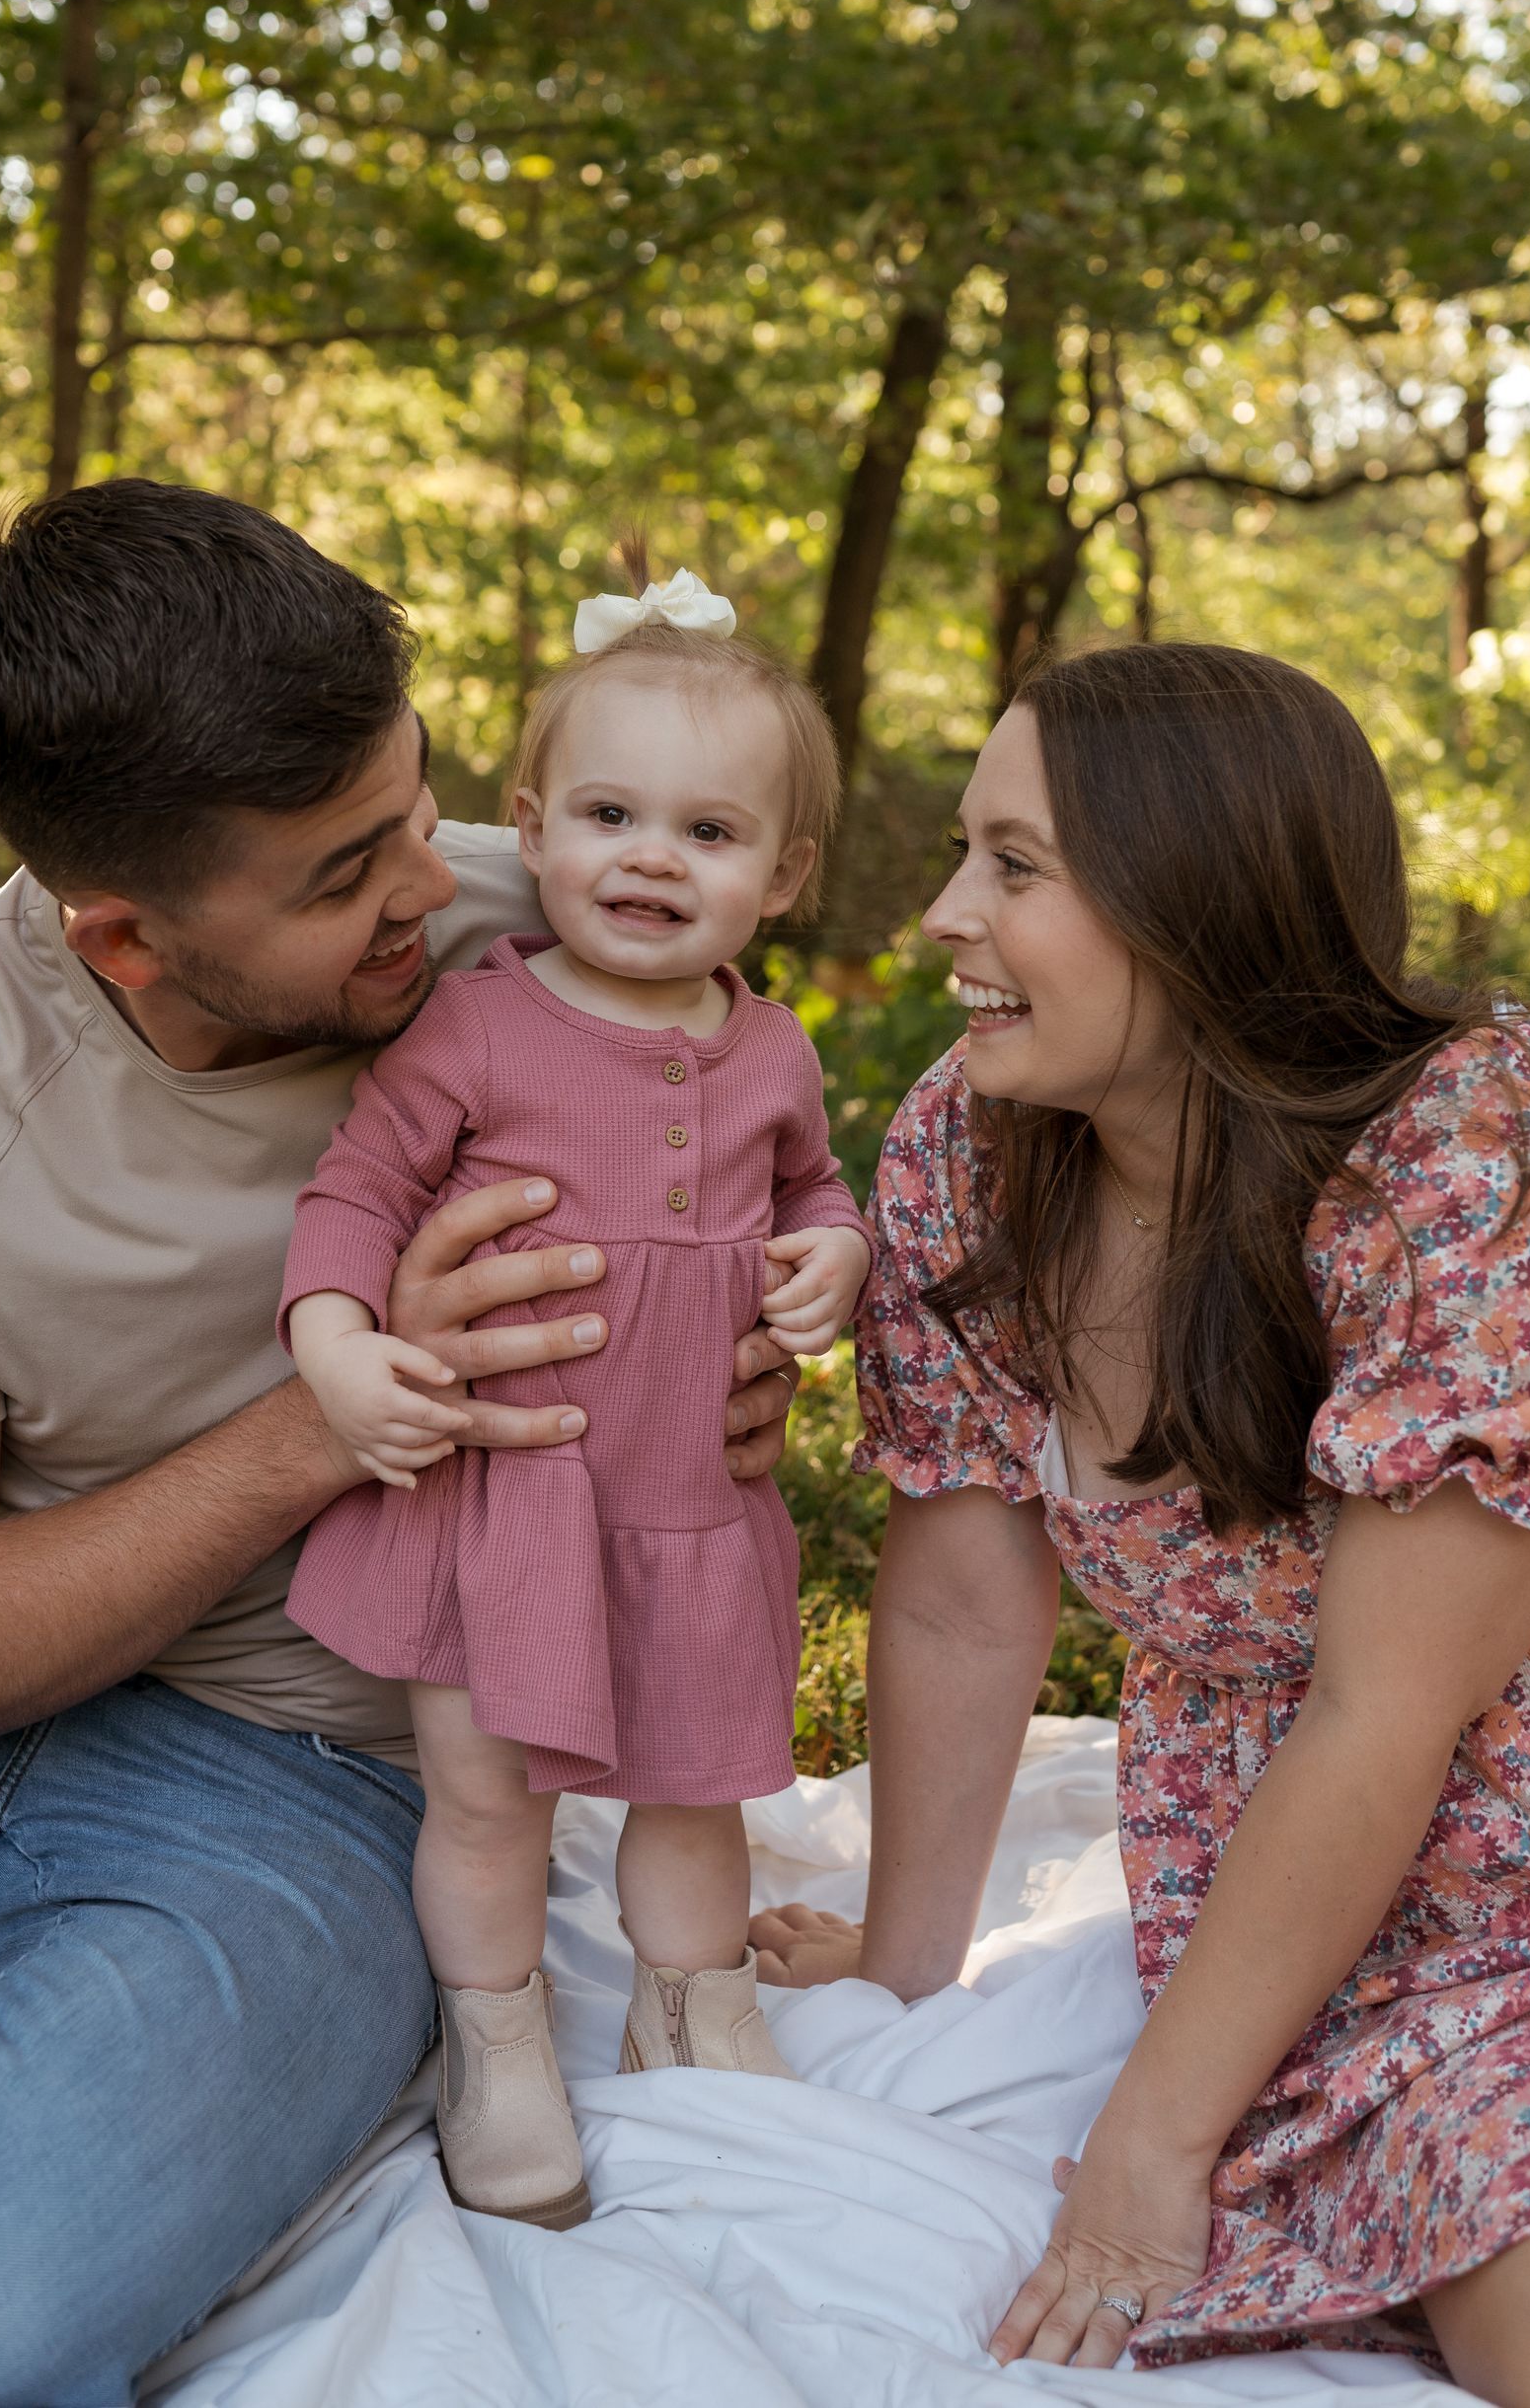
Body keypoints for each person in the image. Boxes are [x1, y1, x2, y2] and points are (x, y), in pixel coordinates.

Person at [0, 481, 801, 2408]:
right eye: (344, 874)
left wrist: (740, 1361)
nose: (432, 882)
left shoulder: (566, 930)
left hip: (323, 1774)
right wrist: (330, 1424)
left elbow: (759, 1202)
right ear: (126, 932)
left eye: (416, 804)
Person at [753, 642, 1530, 2408]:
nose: (946, 911)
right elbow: (961, 1597)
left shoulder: (1515, 1151)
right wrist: (900, 1971)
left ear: (1203, 901)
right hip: (1300, 1938)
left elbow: (1384, 1712)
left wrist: (1144, 2156)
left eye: (1013, 866)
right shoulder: (974, 1142)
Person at [282, 567, 872, 2228]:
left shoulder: (773, 1052)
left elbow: (816, 1189)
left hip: (694, 1498)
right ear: (529, 830)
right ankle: (498, 2036)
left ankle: (697, 2011)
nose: (650, 858)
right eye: (610, 813)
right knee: (485, 1799)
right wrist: (336, 1346)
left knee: (698, 1788)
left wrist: (840, 1256)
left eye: (708, 831)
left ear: (784, 875)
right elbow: (351, 1200)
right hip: (508, 1501)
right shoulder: (475, 1026)